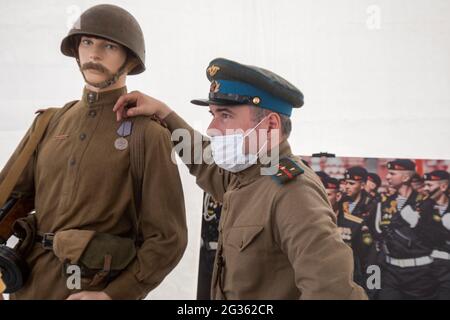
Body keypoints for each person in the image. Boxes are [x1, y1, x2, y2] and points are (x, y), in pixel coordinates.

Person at [113, 57, 367, 299]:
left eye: (225, 115)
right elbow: (204, 160)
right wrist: (165, 114)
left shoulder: (292, 191)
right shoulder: (249, 173)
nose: (212, 128)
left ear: (269, 125)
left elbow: (331, 289)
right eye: (213, 114)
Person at [0, 4, 187, 300]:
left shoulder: (148, 135)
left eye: (108, 46)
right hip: (28, 286)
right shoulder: (49, 122)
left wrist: (115, 295)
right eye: (87, 42)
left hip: (90, 289)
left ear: (129, 60)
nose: (94, 54)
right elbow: (8, 200)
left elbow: (167, 239)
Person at [374, 159, 435, 299]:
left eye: (392, 173)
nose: (387, 177)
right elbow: (377, 232)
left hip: (420, 273)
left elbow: (434, 237)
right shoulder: (384, 203)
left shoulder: (426, 202)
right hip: (391, 272)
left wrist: (417, 223)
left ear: (406, 177)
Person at [417, 170, 450, 299]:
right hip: (428, 266)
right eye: (425, 185)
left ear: (443, 186)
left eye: (429, 185)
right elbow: (422, 236)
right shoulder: (422, 208)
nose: (425, 188)